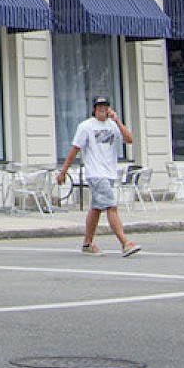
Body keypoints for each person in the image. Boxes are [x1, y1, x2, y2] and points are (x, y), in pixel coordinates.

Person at [56, 96, 142, 256]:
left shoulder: (113, 125)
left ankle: (87, 244)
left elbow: (129, 139)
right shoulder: (86, 126)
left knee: (96, 209)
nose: (102, 109)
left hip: (109, 172)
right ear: (94, 109)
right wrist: (63, 171)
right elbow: (75, 149)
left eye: (105, 106)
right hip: (96, 173)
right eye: (99, 106)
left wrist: (118, 121)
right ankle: (125, 243)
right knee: (111, 206)